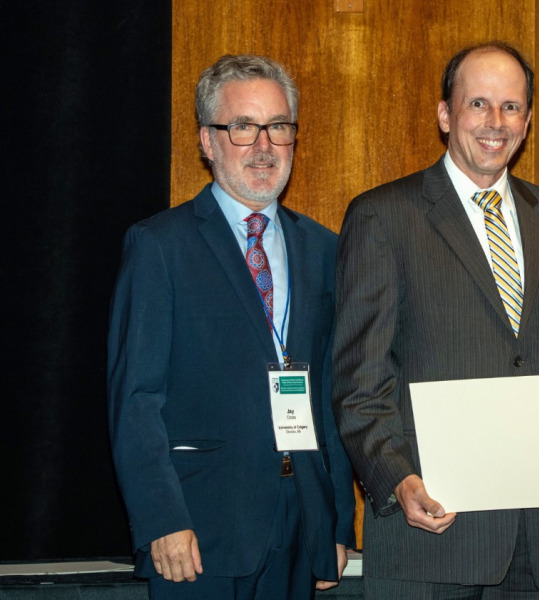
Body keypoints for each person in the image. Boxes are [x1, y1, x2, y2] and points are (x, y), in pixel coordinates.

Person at [332, 41, 539, 598]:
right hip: (429, 532)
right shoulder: (384, 217)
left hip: (535, 542)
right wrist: (396, 479)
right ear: (445, 114)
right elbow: (360, 382)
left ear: (527, 120)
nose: (495, 122)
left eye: (510, 106)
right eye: (478, 104)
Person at [107, 54, 354, 600]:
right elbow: (137, 400)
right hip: (198, 532)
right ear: (207, 140)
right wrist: (160, 519)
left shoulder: (323, 249)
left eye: (279, 127)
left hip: (299, 527)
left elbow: (331, 398)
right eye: (242, 127)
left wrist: (335, 523)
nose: (264, 146)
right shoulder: (159, 246)